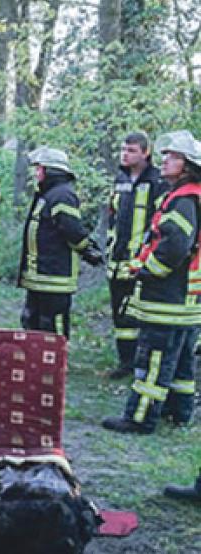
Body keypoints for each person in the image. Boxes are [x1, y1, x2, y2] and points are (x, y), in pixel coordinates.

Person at [102, 130, 201, 435]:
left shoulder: (182, 201)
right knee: (182, 364)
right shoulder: (191, 196)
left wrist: (146, 270)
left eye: (172, 156)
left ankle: (140, 418)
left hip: (167, 300)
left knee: (154, 361)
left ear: (186, 166)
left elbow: (174, 247)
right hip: (186, 302)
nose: (165, 160)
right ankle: (179, 413)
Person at [18, 147, 104, 338]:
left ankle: (54, 365)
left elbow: (71, 229)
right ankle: (36, 363)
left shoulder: (62, 195)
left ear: (51, 171)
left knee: (51, 326)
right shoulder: (49, 194)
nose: (36, 173)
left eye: (39, 169)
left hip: (54, 277)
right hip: (40, 276)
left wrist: (87, 250)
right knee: (33, 322)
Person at [104, 132, 168, 380]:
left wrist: (145, 257)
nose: (125, 154)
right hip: (117, 262)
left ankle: (141, 364)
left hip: (140, 263)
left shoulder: (157, 181)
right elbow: (113, 216)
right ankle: (125, 363)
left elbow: (160, 224)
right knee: (120, 316)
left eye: (131, 150)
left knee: (138, 314)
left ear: (145, 153)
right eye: (123, 149)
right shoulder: (120, 179)